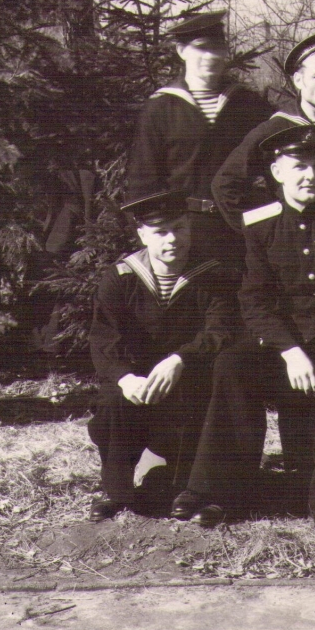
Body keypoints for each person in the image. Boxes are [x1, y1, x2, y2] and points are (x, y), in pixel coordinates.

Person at [175, 125, 315, 531]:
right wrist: (289, 350)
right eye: (299, 167)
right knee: (233, 365)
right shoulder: (261, 224)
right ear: (277, 172)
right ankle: (217, 492)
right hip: (287, 346)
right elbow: (254, 300)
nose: (310, 176)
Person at [87, 190, 237, 521]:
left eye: (179, 228)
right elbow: (104, 338)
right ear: (142, 235)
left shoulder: (212, 275)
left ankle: (189, 489)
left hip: (190, 378)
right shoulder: (121, 278)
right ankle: (116, 491)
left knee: (208, 399)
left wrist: (180, 359)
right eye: (160, 232)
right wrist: (126, 378)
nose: (172, 239)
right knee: (112, 403)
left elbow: (220, 329)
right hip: (137, 382)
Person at [125, 10, 273, 267]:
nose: (211, 56)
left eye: (218, 48)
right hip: (184, 233)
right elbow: (143, 181)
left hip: (241, 228)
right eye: (201, 48)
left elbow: (274, 165)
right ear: (181, 51)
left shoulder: (247, 105)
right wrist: (160, 234)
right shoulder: (161, 108)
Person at [212, 31, 315, 232]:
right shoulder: (275, 128)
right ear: (298, 80)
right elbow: (225, 184)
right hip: (292, 238)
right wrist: (261, 233)